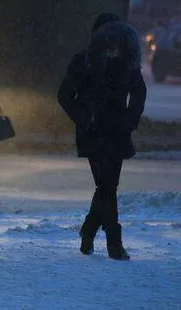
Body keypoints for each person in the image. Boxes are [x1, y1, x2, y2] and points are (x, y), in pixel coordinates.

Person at [58, 13, 146, 260]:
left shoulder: (127, 62)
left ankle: (89, 230)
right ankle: (113, 242)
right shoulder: (83, 62)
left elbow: (139, 93)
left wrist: (129, 120)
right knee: (107, 186)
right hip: (93, 133)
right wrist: (87, 119)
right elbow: (64, 95)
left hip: (117, 133)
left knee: (107, 186)